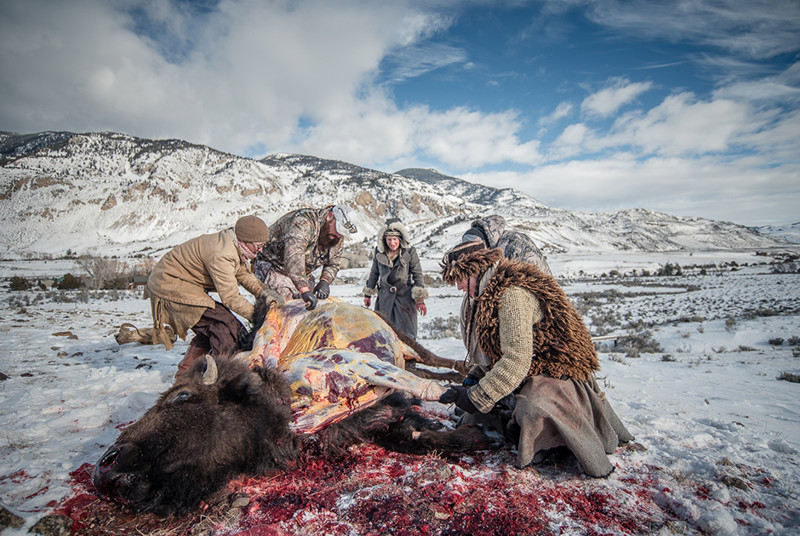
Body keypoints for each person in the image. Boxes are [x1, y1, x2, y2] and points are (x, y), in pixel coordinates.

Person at [438, 240, 633, 477]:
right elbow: (493, 353)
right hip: (525, 371)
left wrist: (478, 395)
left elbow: (516, 360)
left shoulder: (512, 296)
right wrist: (475, 379)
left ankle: (555, 442)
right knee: (477, 416)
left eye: (460, 278)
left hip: (555, 372)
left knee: (534, 407)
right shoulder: (478, 298)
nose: (458, 287)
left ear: (476, 270)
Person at [145, 215, 283, 378]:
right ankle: (223, 377)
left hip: (179, 284)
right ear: (246, 240)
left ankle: (186, 375)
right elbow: (231, 298)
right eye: (258, 246)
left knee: (213, 326)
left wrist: (266, 293)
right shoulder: (222, 254)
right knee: (224, 327)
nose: (260, 250)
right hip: (169, 285)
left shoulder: (234, 245)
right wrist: (261, 317)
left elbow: (244, 275)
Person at [254, 204, 357, 310]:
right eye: (338, 229)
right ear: (330, 216)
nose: (338, 235)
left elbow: (333, 263)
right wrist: (304, 290)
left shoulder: (336, 236)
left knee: (310, 308)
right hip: (274, 267)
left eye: (341, 233)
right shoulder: (303, 222)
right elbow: (294, 258)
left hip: (301, 274)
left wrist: (324, 281)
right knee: (283, 308)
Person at [363, 218, 428, 339]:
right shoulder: (379, 252)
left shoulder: (410, 252)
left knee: (407, 334)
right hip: (384, 298)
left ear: (400, 239)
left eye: (395, 239)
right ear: (384, 239)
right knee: (384, 332)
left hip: (405, 298)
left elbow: (417, 274)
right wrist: (368, 294)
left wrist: (420, 300)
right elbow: (374, 273)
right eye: (389, 239)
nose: (392, 243)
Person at [461, 214, 552, 275]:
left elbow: (522, 279)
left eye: (476, 247)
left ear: (485, 240)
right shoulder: (496, 247)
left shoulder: (514, 243)